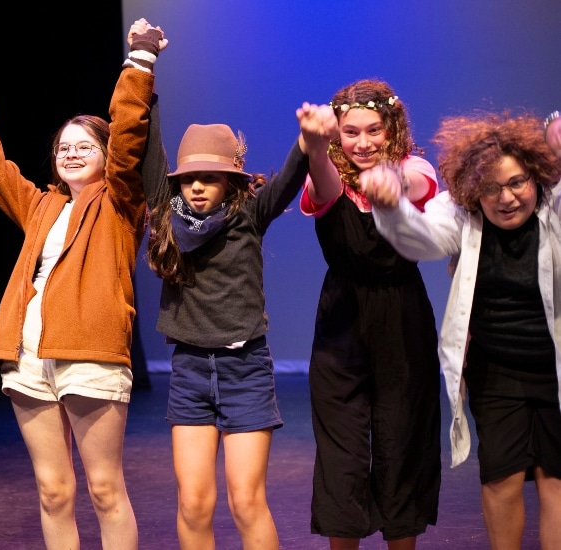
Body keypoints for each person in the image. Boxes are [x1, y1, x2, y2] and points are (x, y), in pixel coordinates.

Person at [0, 18, 165, 549]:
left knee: (105, 488)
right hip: (27, 354)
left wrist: (139, 61)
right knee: (51, 489)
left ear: (104, 154)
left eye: (84, 146)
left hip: (91, 352)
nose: (70, 153)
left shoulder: (120, 202)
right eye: (63, 147)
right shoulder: (41, 206)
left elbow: (129, 134)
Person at [142, 90, 337, 546]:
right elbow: (152, 153)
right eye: (189, 178)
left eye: (209, 178)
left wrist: (309, 139)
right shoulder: (168, 216)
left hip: (244, 369)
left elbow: (291, 176)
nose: (196, 187)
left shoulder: (250, 213)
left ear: (230, 181)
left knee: (246, 501)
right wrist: (144, 75)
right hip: (190, 370)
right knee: (193, 502)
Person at [361, 110, 561, 550]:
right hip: (498, 371)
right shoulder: (461, 213)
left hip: (556, 370)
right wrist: (390, 205)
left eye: (516, 183)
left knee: (556, 480)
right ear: (474, 190)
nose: (506, 198)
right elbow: (418, 239)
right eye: (491, 188)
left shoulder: (554, 207)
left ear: (536, 178)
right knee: (500, 477)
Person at [300, 79, 443, 550]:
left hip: (402, 318)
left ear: (392, 127)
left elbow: (421, 179)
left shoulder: (411, 165)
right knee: (342, 456)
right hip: (341, 321)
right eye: (350, 132)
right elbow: (322, 180)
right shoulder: (327, 173)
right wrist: (317, 148)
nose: (362, 142)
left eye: (374, 130)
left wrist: (392, 182)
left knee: (401, 445)